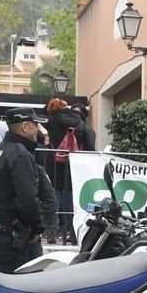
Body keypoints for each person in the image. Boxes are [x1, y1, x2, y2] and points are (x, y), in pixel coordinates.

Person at [0, 108, 48, 272]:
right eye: (35, 124)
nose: (38, 129)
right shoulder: (20, 154)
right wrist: (37, 228)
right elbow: (28, 199)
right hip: (11, 236)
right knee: (23, 291)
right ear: (25, 127)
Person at [38, 98, 94, 245]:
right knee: (71, 201)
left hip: (54, 166)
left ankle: (52, 231)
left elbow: (39, 115)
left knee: (53, 198)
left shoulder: (51, 121)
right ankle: (73, 232)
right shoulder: (81, 123)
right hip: (74, 168)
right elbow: (90, 146)